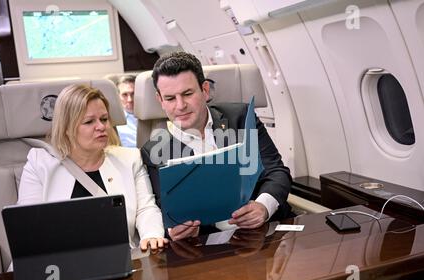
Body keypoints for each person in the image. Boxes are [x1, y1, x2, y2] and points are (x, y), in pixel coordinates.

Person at [141, 51, 293, 241]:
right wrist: (179, 231)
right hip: (208, 246)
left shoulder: (240, 117)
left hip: (265, 231)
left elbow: (276, 171)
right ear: (160, 100)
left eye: (187, 94)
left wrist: (263, 207)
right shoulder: (154, 151)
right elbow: (165, 214)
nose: (180, 106)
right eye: (170, 98)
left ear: (205, 90)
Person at [17, 84, 168, 251]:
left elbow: (146, 208)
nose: (101, 127)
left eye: (104, 119)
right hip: (60, 264)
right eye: (89, 122)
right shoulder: (39, 164)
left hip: (120, 258)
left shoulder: (130, 159)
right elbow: (29, 226)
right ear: (67, 128)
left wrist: (151, 235)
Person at [116, 75, 138, 148]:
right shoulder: (114, 121)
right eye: (125, 95)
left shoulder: (151, 116)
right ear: (118, 96)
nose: (130, 100)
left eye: (133, 94)